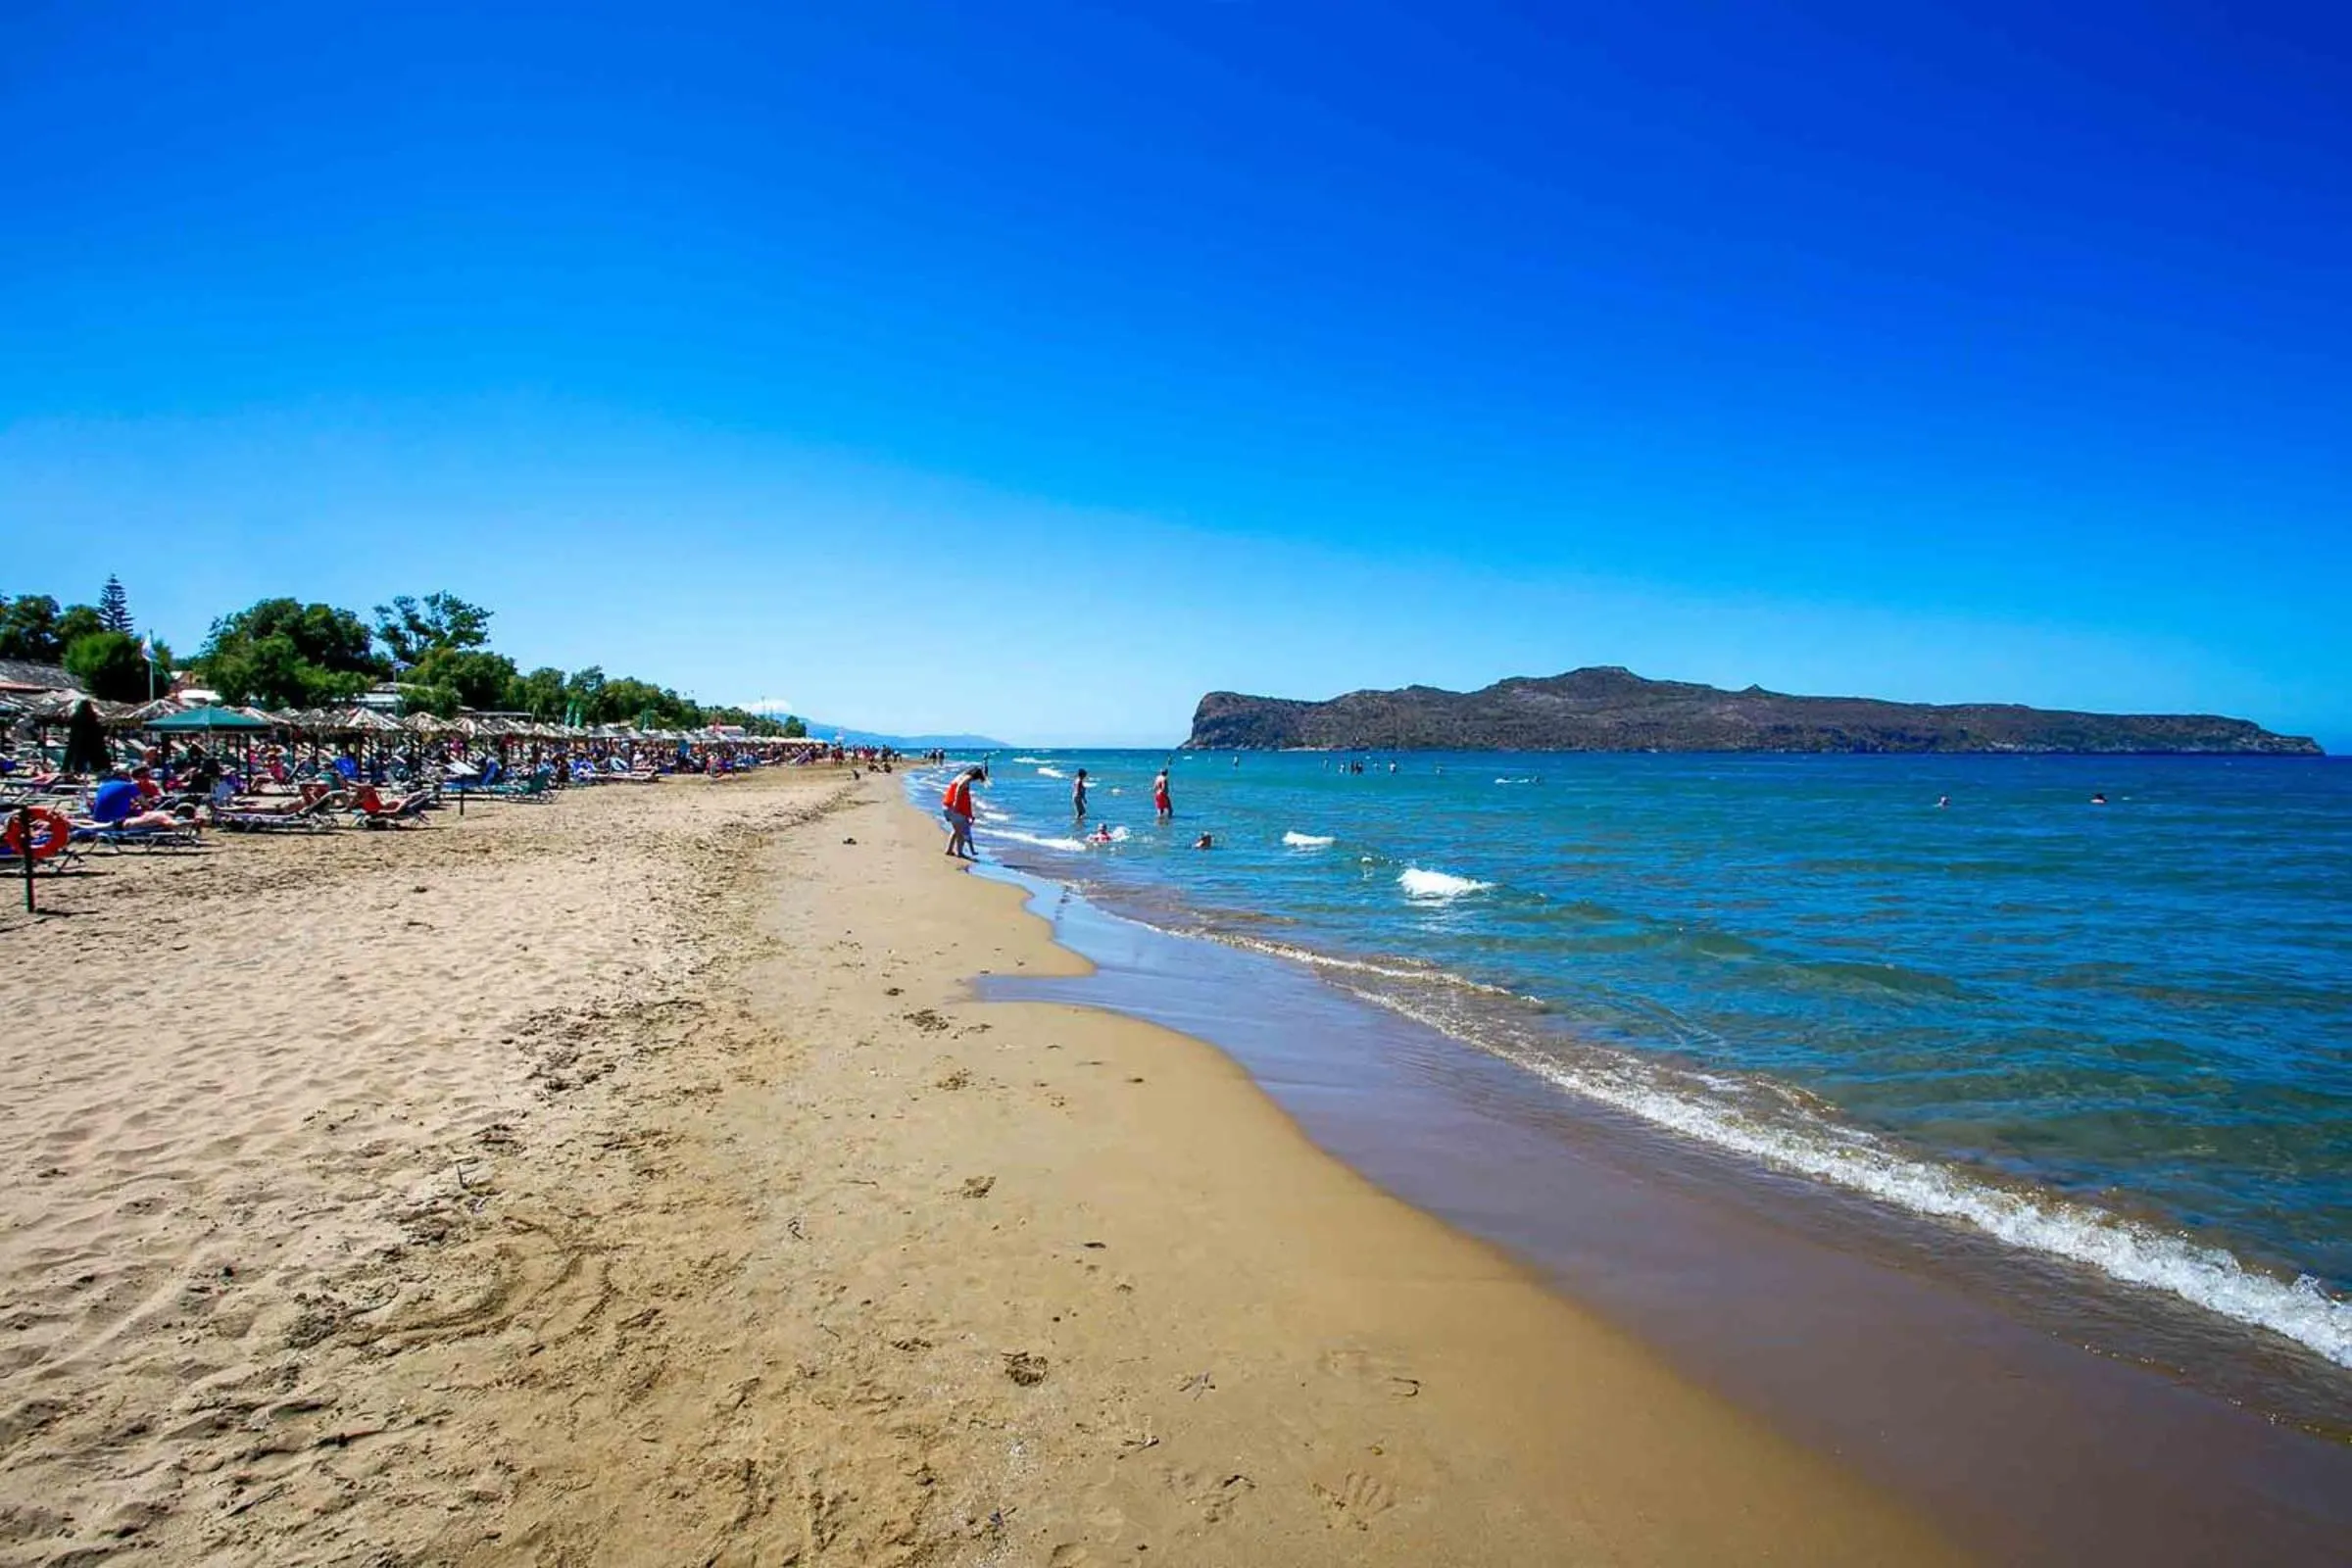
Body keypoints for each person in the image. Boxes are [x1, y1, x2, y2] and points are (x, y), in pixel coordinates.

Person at [942, 766, 981, 859]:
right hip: (954, 808)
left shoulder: (960, 776)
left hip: (948, 807)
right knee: (961, 832)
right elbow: (959, 787)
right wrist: (956, 802)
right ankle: (960, 852)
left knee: (956, 830)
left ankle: (949, 850)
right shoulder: (967, 778)